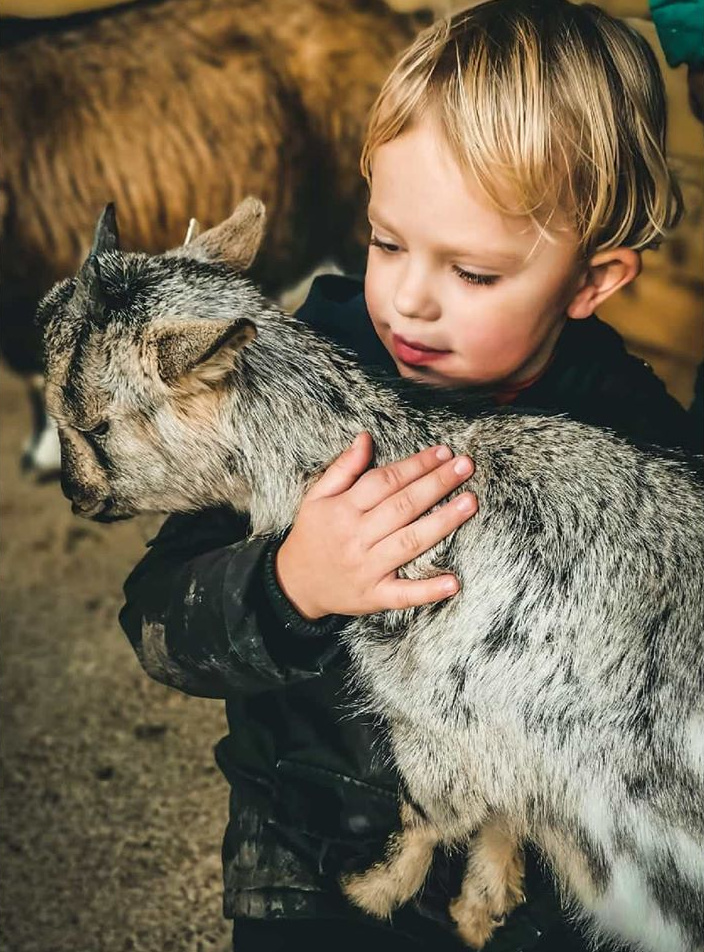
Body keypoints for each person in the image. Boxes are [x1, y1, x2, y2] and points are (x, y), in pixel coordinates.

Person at [119, 2, 700, 950]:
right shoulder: (288, 373)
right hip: (314, 864)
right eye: (386, 243)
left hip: (528, 900)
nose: (408, 300)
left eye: (473, 274)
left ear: (592, 281)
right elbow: (158, 626)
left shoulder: (635, 448)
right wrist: (290, 583)